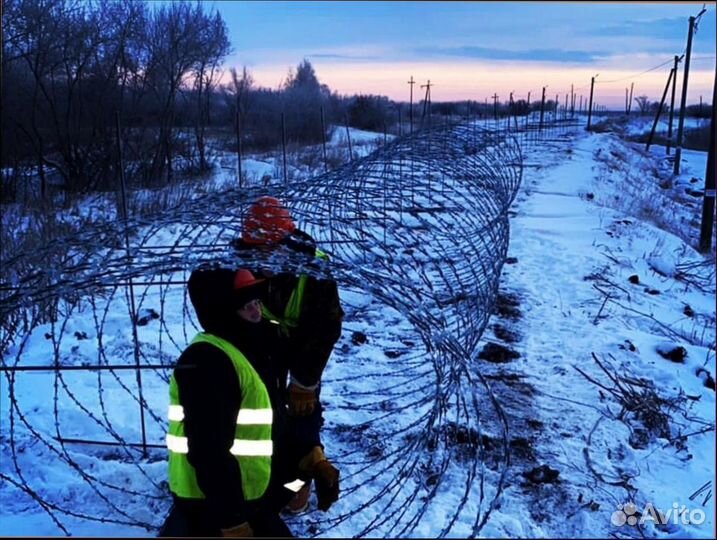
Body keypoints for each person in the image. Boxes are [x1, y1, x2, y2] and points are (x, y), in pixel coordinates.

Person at [161, 268, 294, 537]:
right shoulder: (207, 361)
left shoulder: (243, 352)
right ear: (223, 312)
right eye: (247, 306)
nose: (258, 313)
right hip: (210, 505)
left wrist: (302, 461)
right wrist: (231, 521)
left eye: (257, 302)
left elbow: (269, 422)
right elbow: (208, 449)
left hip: (245, 496)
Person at [232, 195, 343, 513]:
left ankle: (300, 480)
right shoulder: (243, 262)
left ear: (284, 244)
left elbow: (325, 331)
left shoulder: (314, 271)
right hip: (261, 349)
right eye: (255, 252)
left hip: (303, 350)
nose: (259, 261)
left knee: (301, 411)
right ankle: (262, 473)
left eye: (266, 252)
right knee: (262, 416)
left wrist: (305, 382)